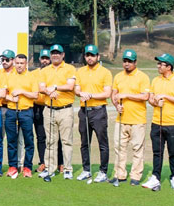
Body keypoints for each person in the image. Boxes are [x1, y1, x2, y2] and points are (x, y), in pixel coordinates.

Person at [111, 49, 150, 187]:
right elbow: (114, 95)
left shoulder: (143, 77)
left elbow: (145, 96)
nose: (126, 64)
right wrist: (116, 105)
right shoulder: (118, 77)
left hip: (138, 120)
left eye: (129, 61)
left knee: (137, 149)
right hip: (121, 119)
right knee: (119, 147)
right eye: (125, 61)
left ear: (135, 62)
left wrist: (126, 95)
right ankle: (119, 174)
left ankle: (135, 176)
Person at [74, 44, 112, 183]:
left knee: (102, 143)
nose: (90, 58)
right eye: (87, 55)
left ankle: (103, 172)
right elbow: (77, 90)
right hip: (84, 111)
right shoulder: (80, 71)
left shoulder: (105, 72)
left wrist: (91, 95)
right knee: (85, 143)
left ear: (98, 57)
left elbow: (107, 93)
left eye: (92, 55)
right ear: (85, 57)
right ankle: (86, 170)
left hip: (98, 111)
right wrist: (81, 93)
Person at [37, 44, 77, 180]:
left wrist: (55, 87)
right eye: (53, 53)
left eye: (58, 53)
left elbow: (70, 86)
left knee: (66, 141)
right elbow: (41, 88)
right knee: (50, 141)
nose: (55, 55)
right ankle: (50, 168)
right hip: (49, 109)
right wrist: (49, 91)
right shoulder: (45, 70)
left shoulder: (69, 68)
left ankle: (67, 169)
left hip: (65, 109)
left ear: (63, 55)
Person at [146, 53, 174, 191]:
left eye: (161, 64)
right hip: (157, 122)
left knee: (173, 151)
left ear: (169, 67)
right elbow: (150, 98)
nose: (158, 66)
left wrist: (165, 96)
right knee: (157, 152)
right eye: (158, 64)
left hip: (173, 123)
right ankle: (155, 177)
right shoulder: (155, 80)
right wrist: (155, 102)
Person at [4, 53, 37, 178]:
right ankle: (12, 166)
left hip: (26, 111)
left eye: (21, 63)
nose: (19, 65)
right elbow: (4, 95)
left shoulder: (31, 77)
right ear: (14, 63)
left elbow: (35, 95)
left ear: (26, 64)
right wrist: (11, 99)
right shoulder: (8, 76)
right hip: (12, 111)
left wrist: (22, 92)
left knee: (28, 140)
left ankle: (27, 167)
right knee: (12, 140)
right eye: (17, 63)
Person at [33, 49, 51, 173]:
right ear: (39, 59)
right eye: (43, 58)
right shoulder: (34, 73)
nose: (45, 60)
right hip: (36, 107)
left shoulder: (52, 73)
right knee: (40, 136)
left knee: (54, 137)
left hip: (49, 106)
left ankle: (59, 162)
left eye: (47, 58)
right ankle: (43, 162)